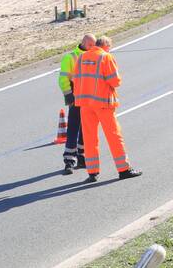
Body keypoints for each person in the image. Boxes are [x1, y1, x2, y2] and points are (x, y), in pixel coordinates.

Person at [73, 35, 142, 182]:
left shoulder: (81, 57)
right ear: (106, 46)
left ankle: (92, 172)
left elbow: (76, 79)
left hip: (85, 104)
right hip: (103, 103)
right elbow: (115, 81)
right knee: (113, 136)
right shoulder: (106, 57)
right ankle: (124, 169)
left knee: (89, 138)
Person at [58, 34, 94, 175]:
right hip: (76, 96)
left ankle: (81, 157)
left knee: (85, 128)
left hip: (89, 97)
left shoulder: (93, 55)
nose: (93, 47)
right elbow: (63, 79)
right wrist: (68, 95)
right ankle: (69, 161)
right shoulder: (71, 57)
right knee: (73, 128)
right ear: (83, 42)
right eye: (90, 45)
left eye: (94, 45)